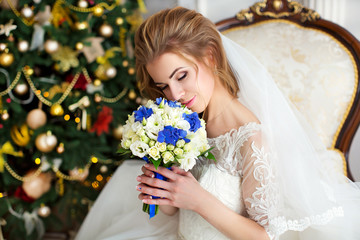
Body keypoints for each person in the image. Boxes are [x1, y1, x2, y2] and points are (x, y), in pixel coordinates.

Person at [75, 6, 360, 240]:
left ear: (210, 56)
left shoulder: (252, 140)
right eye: (163, 86)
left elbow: (264, 236)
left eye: (182, 76)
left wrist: (197, 199)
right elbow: (175, 213)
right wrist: (164, 190)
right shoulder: (183, 123)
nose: (174, 95)